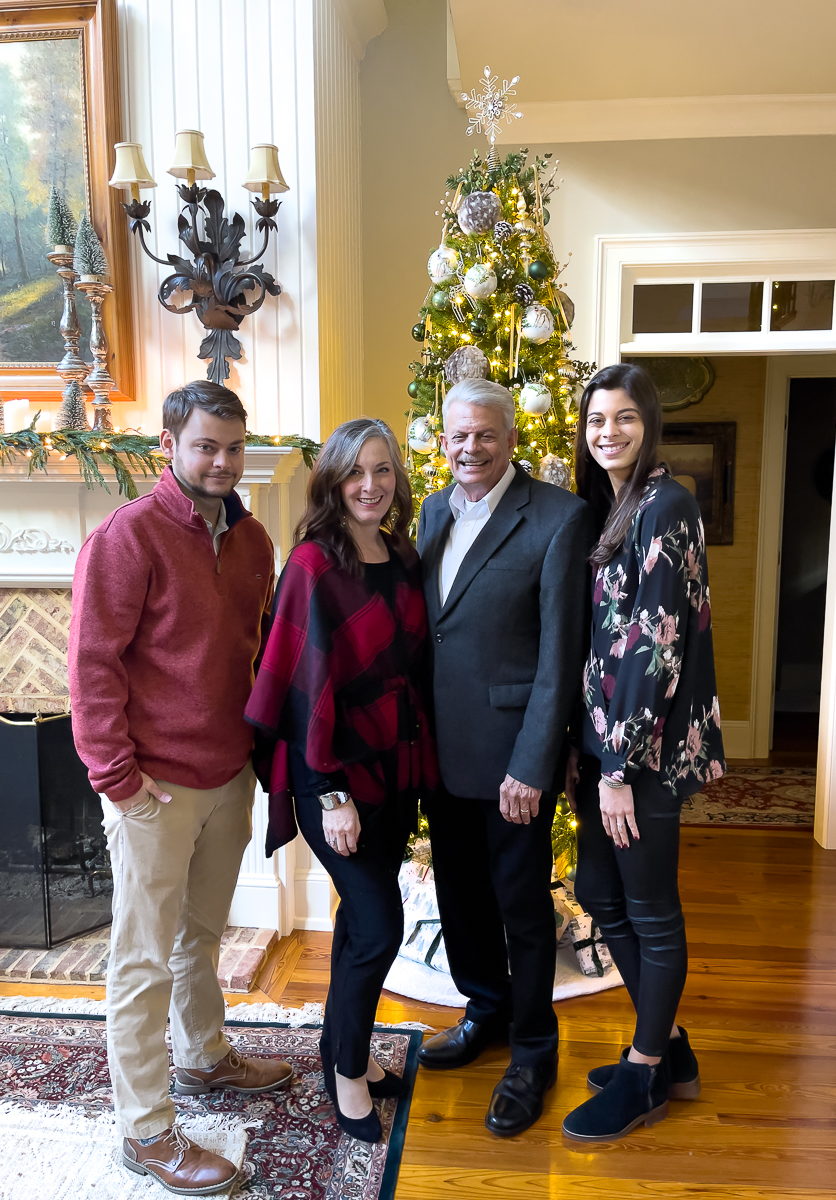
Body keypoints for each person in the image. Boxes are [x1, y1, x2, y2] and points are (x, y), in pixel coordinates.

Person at [68, 381, 293, 1196]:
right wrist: (119, 783)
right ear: (169, 444)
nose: (222, 462)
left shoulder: (257, 541)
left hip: (227, 774)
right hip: (152, 788)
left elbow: (256, 653)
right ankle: (147, 1132)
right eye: (206, 446)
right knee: (140, 960)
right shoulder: (128, 538)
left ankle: (202, 1058)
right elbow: (91, 669)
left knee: (197, 936)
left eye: (233, 447)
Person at [245, 417, 438, 1144]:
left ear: (397, 479)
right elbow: (299, 691)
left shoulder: (402, 555)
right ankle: (348, 1069)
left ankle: (336, 1044)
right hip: (334, 779)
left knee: (360, 921)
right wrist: (330, 796)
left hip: (396, 771)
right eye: (356, 471)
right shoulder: (312, 565)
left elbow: (414, 669)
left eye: (383, 470)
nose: (370, 484)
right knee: (379, 926)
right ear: (333, 479)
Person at [415, 377, 594, 1137]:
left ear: (512, 439)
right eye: (458, 435)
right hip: (439, 755)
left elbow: (561, 658)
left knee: (523, 909)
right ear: (443, 439)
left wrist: (532, 764)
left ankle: (533, 1054)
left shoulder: (558, 518)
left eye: (485, 434)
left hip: (510, 760)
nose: (470, 448)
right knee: (460, 898)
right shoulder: (429, 510)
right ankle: (483, 1009)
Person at [562, 362, 725, 1142]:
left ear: (648, 424)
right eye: (597, 420)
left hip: (642, 757)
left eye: (624, 418)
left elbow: (652, 651)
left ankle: (645, 1071)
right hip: (607, 751)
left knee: (652, 913)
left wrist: (620, 769)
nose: (609, 433)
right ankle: (670, 1052)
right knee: (600, 890)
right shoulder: (614, 506)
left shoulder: (668, 506)